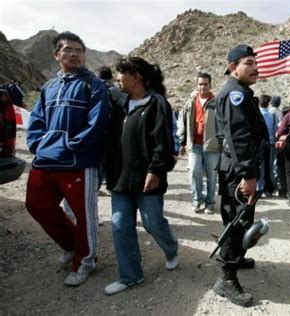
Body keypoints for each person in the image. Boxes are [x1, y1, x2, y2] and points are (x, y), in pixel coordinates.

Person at [25, 31, 110, 286]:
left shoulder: (93, 85)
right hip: (46, 159)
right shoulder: (48, 87)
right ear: (57, 54)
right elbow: (37, 120)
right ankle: (72, 245)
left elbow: (97, 124)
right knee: (36, 204)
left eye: (79, 51)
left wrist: (71, 145)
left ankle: (85, 261)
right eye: (68, 50)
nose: (74, 54)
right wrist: (38, 145)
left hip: (78, 162)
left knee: (85, 216)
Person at [103, 57, 178, 295]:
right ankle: (130, 275)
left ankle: (171, 248)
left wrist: (155, 170)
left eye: (121, 74)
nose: (117, 78)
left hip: (147, 177)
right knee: (119, 225)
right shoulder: (119, 103)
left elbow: (163, 141)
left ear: (135, 75)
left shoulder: (157, 103)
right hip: (120, 177)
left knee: (152, 222)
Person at [213, 44, 268, 307]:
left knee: (243, 220)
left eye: (255, 62)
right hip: (238, 172)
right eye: (248, 63)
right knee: (236, 223)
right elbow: (238, 138)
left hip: (241, 169)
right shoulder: (234, 94)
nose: (255, 67)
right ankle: (226, 278)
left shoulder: (241, 92)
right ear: (233, 67)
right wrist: (247, 174)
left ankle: (237, 257)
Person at [178, 72, 220, 214]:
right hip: (194, 144)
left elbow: (223, 124)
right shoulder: (190, 103)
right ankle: (197, 199)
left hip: (212, 145)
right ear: (197, 85)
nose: (203, 87)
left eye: (205, 84)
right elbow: (181, 122)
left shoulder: (217, 103)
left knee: (211, 176)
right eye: (200, 84)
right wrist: (182, 141)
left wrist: (222, 142)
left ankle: (210, 202)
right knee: (194, 171)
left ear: (210, 85)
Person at [257, 94, 277, 197]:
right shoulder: (272, 115)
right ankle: (268, 189)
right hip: (270, 143)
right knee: (269, 167)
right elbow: (274, 130)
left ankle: (258, 188)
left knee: (258, 167)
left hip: (258, 144)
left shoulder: (256, 114)